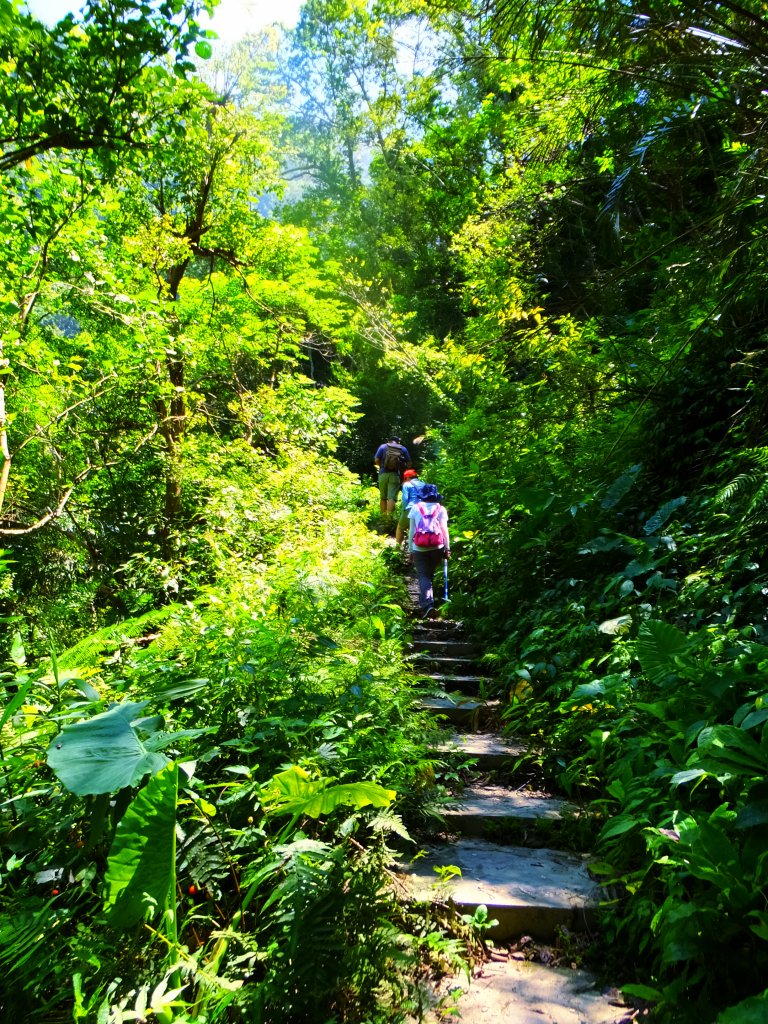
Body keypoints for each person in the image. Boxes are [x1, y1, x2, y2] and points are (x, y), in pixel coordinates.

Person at [407, 483, 450, 619]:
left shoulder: (415, 508)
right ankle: (428, 602)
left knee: (423, 575)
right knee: (429, 574)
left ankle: (427, 605)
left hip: (419, 547)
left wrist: (410, 550)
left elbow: (412, 531)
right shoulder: (441, 509)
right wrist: (447, 548)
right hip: (437, 546)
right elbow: (444, 530)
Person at [374, 434, 412, 519]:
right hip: (395, 475)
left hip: (383, 474)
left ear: (389, 441)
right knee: (391, 497)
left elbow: (376, 459)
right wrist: (402, 466)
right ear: (398, 442)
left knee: (383, 497)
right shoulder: (403, 448)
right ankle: (389, 518)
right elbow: (409, 464)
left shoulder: (383, 447)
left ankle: (383, 518)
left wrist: (381, 466)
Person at [396, 468, 423, 545]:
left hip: (410, 508)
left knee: (400, 527)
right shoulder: (423, 484)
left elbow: (405, 499)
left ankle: (397, 548)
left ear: (407, 477)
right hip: (422, 509)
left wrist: (404, 510)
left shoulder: (406, 484)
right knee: (417, 528)